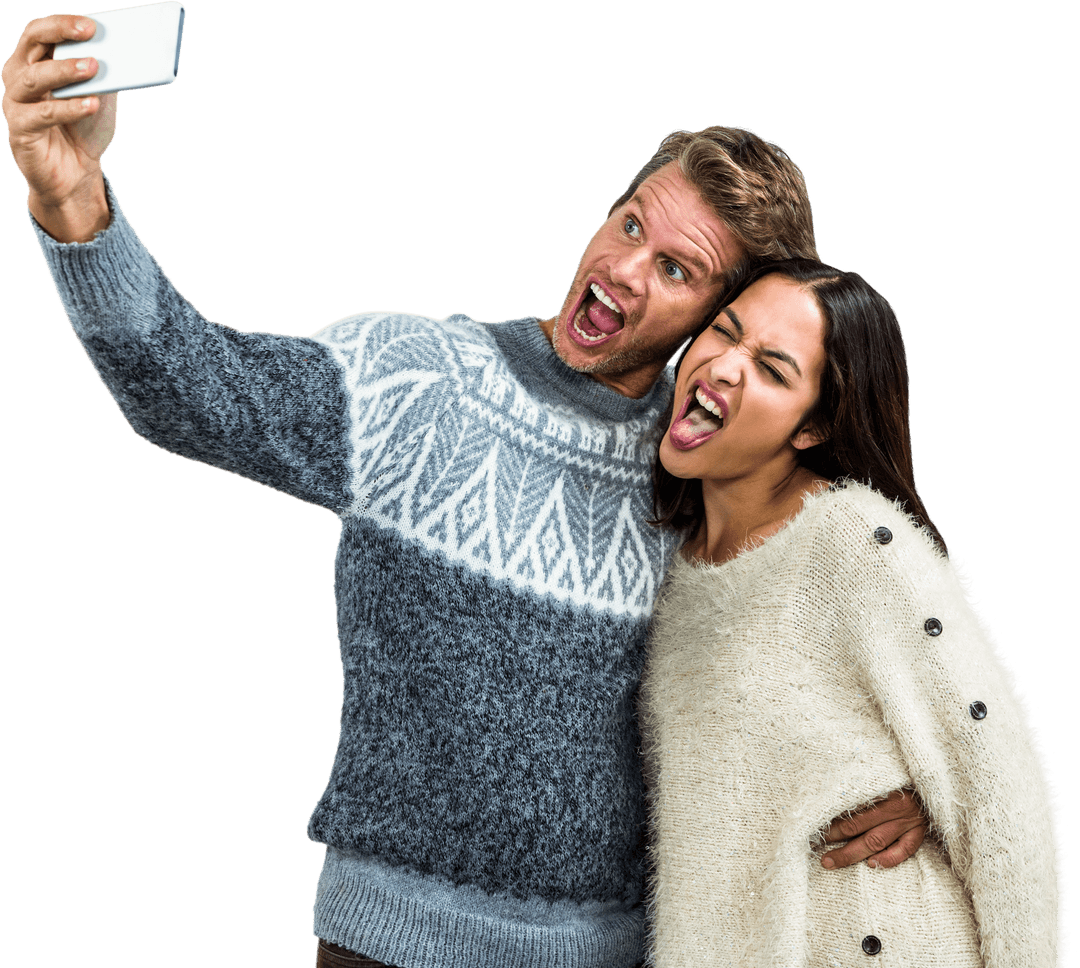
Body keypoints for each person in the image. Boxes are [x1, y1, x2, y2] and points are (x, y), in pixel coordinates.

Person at [3, 14, 929, 968]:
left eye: (676, 269)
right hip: (385, 947)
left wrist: (919, 774)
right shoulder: (419, 378)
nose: (620, 268)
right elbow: (189, 388)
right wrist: (73, 200)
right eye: (630, 224)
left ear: (716, 322)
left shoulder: (708, 471)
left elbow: (828, 657)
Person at [641, 259, 1068, 966]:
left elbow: (1001, 787)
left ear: (813, 428)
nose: (723, 367)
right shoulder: (666, 563)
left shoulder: (855, 542)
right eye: (724, 332)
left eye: (774, 370)